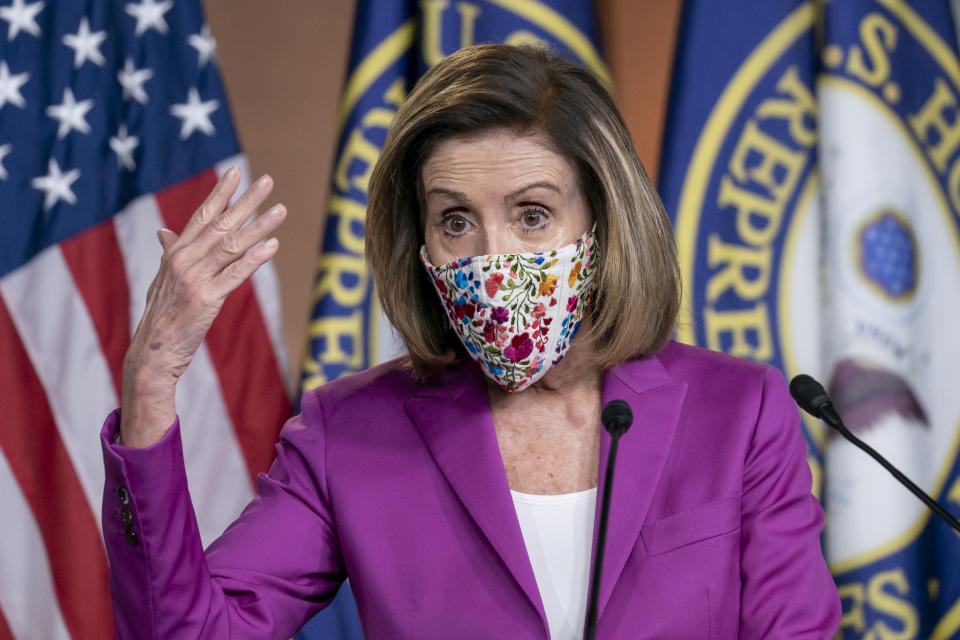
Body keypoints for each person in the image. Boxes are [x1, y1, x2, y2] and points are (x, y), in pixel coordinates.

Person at [101, 44, 841, 639]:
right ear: (419, 241)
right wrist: (150, 381)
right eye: (456, 221)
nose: (493, 258)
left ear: (603, 223)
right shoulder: (349, 432)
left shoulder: (739, 412)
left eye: (531, 215)